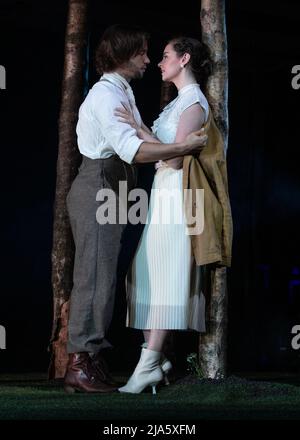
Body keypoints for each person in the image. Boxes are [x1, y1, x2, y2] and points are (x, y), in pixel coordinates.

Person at [63, 25, 207, 393]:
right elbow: (135, 151)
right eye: (143, 53)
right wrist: (181, 148)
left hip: (116, 187)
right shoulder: (105, 95)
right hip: (100, 183)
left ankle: (95, 358)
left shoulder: (122, 90)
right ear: (124, 56)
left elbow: (143, 139)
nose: (148, 60)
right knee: (94, 276)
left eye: (155, 54)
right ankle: (80, 362)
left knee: (105, 276)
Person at [116, 36, 216, 395]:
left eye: (165, 56)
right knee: (145, 276)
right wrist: (140, 127)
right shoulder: (178, 103)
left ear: (184, 59)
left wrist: (145, 133)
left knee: (165, 276)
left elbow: (173, 158)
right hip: (163, 193)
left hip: (178, 195)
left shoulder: (193, 102)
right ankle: (154, 361)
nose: (160, 62)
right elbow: (166, 148)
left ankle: (148, 366)